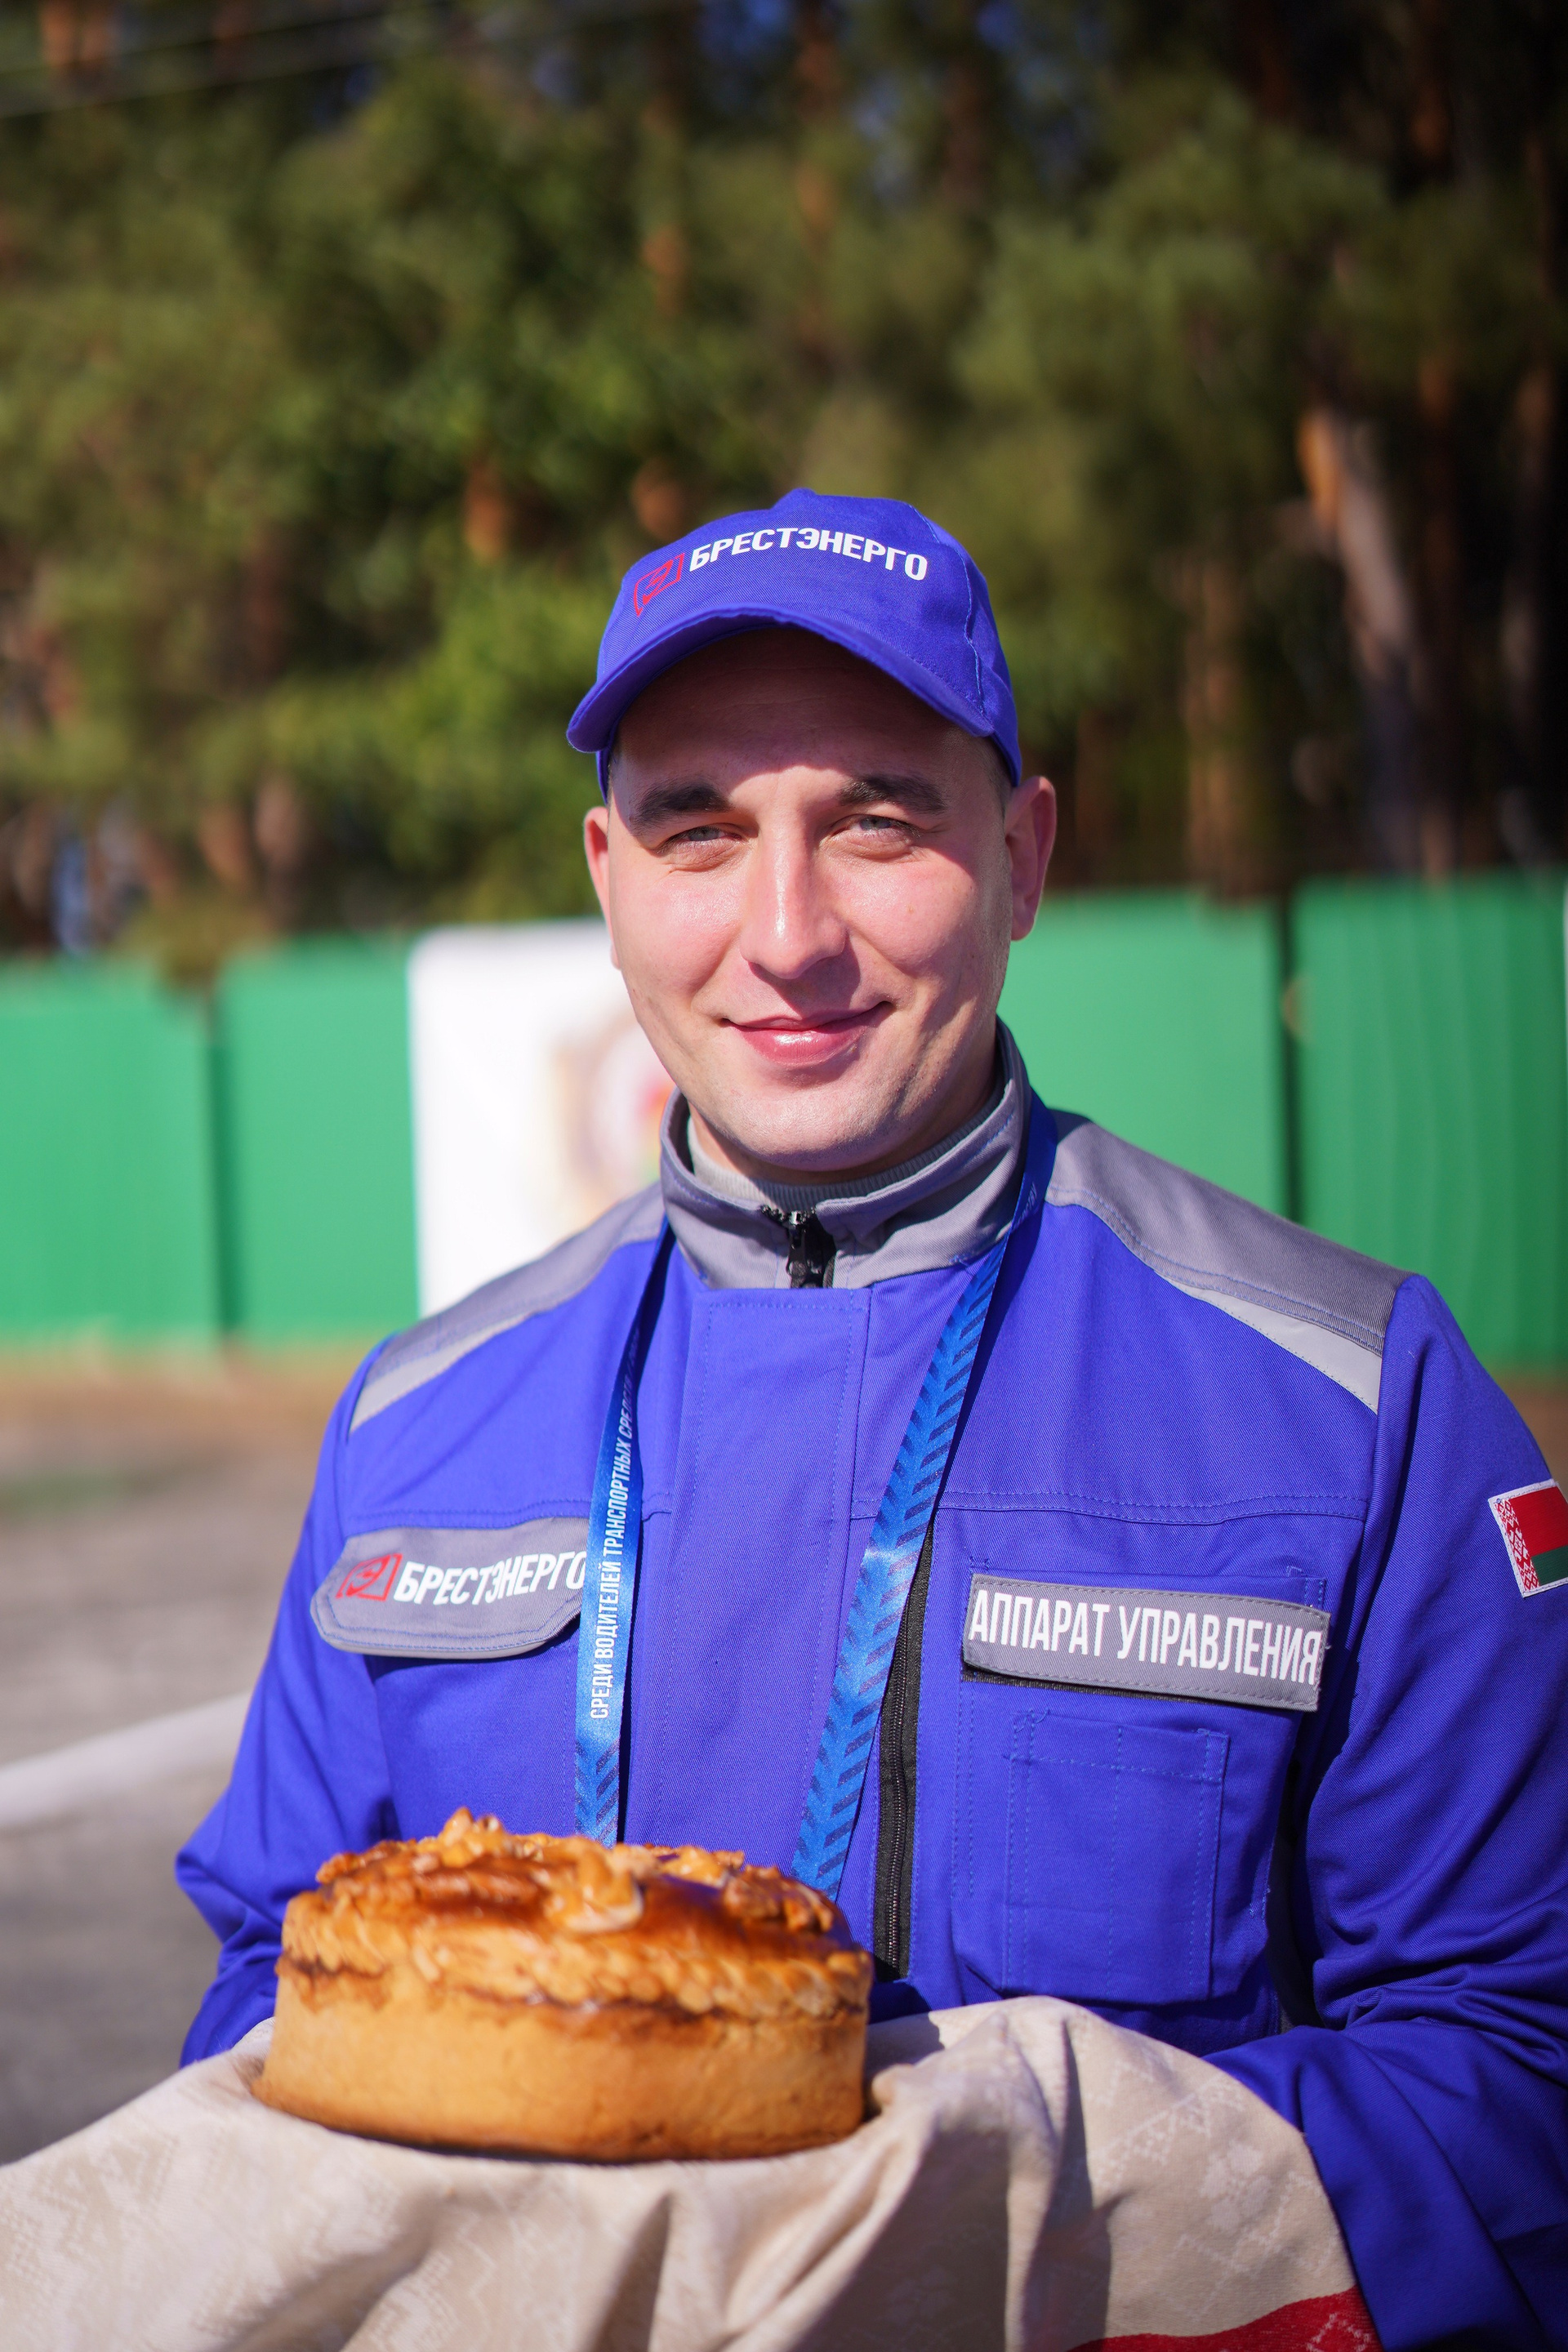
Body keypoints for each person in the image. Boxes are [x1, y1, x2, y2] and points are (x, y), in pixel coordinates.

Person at [180, 491, 1566, 2350]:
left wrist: (989, 2201)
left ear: (1023, 853)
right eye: (699, 829)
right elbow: (272, 1999)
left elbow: (1517, 2087)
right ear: (606, 876)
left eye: (877, 822)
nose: (787, 936)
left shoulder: (1360, 1404)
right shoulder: (414, 1430)